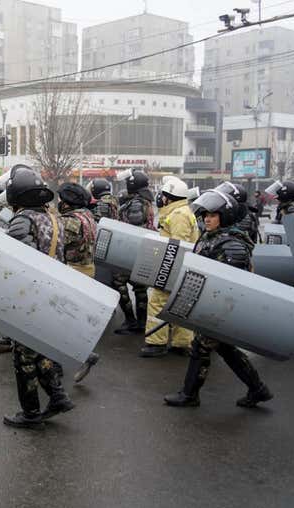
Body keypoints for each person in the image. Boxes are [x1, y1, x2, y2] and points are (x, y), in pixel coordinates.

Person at [164, 189, 273, 408]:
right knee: (225, 349)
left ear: (224, 217)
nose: (207, 219)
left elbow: (231, 285)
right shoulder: (211, 238)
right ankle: (258, 389)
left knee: (201, 347)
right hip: (210, 304)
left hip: (221, 307)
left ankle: (189, 394)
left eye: (212, 215)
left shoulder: (232, 244)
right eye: (205, 215)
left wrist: (215, 310)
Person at [1, 166, 74, 430]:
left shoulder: (22, 220)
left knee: (23, 357)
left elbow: (17, 265)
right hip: (52, 293)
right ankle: (58, 397)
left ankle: (30, 413)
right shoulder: (53, 218)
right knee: (40, 349)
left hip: (30, 298)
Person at [141, 176, 200, 358]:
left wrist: (167, 272)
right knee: (179, 305)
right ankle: (181, 344)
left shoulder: (178, 215)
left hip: (173, 268)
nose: (162, 198)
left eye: (164, 195)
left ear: (170, 197)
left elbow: (178, 246)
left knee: (158, 302)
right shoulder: (181, 211)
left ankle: (156, 343)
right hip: (181, 268)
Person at [56, 183, 100, 383]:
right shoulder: (88, 216)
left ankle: (84, 355)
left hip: (74, 271)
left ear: (67, 203)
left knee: (61, 318)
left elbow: (56, 241)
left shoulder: (70, 222)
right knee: (70, 318)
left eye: (61, 200)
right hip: (87, 269)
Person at [112, 170, 155, 335]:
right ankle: (141, 322)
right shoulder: (144, 201)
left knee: (119, 283)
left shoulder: (137, 203)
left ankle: (131, 321)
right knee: (139, 286)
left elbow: (134, 228)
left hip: (131, 251)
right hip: (142, 251)